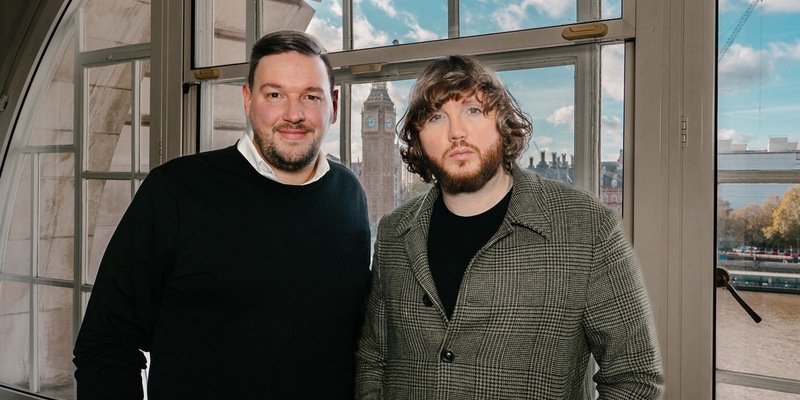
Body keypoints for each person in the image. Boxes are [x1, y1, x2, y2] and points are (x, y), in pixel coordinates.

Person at [73, 30, 372, 399]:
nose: (293, 114)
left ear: (335, 105)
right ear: (248, 100)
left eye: (311, 96)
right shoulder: (175, 191)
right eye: (274, 94)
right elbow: (106, 344)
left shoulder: (350, 195)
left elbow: (357, 340)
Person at [355, 55, 664, 399]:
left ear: (503, 122)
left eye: (473, 110)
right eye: (436, 117)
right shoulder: (394, 232)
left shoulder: (588, 227)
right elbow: (374, 359)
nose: (456, 132)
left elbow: (635, 378)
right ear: (418, 138)